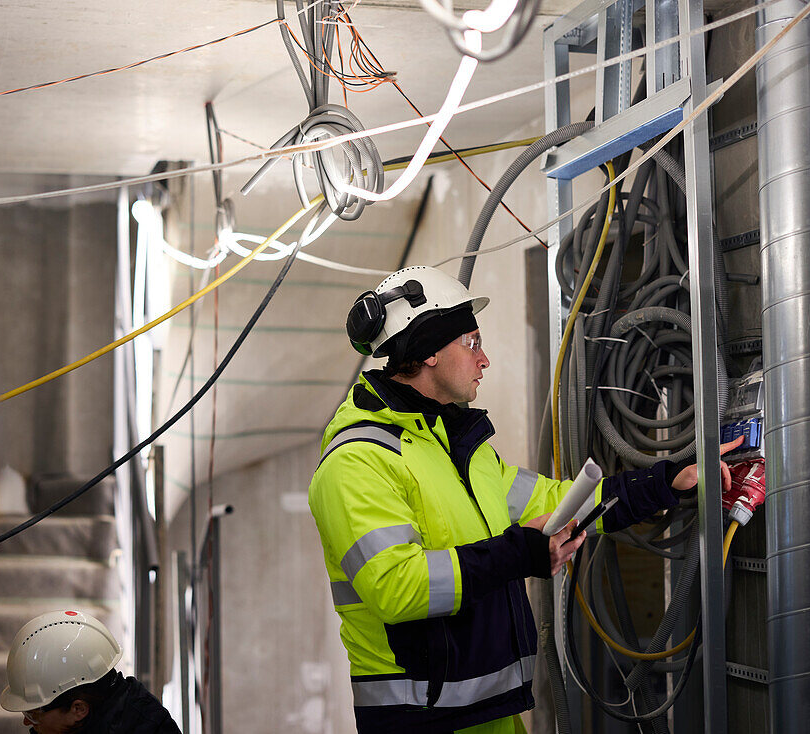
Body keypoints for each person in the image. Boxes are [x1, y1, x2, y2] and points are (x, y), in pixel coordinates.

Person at [308, 266, 741, 734]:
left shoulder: (459, 450)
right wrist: (523, 552)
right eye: (472, 342)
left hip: (492, 713)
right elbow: (398, 587)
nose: (485, 359)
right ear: (429, 350)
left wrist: (666, 482)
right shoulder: (355, 463)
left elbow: (560, 503)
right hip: (420, 722)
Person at [0, 610, 182, 734]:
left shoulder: (144, 726)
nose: (26, 722)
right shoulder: (99, 716)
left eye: (32, 714)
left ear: (78, 709)